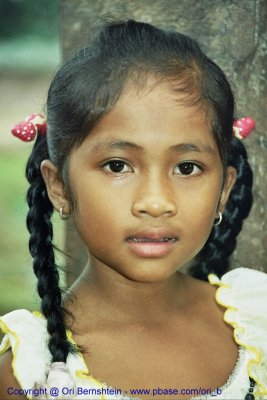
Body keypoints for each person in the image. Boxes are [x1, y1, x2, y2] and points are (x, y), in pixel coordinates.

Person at [0, 19, 266, 400]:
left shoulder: (258, 319)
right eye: (117, 166)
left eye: (187, 168)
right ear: (59, 187)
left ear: (224, 189)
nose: (156, 202)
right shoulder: (31, 375)